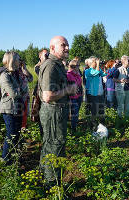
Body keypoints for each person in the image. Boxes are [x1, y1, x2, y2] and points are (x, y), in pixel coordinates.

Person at [38, 36, 77, 184]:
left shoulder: (58, 65)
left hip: (57, 112)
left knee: (50, 145)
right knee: (55, 147)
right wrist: (68, 90)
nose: (67, 47)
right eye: (63, 45)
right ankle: (53, 186)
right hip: (53, 112)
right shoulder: (51, 66)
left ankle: (44, 180)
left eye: (67, 45)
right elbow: (47, 96)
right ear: (53, 48)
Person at [0, 51, 25, 163]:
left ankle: (14, 157)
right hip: (8, 108)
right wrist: (20, 91)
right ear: (12, 60)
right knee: (10, 134)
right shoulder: (4, 75)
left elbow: (24, 88)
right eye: (18, 59)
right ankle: (4, 159)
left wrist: (19, 91)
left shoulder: (15, 73)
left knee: (17, 133)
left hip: (18, 107)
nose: (20, 61)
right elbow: (14, 93)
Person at [85, 57, 107, 122]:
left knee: (101, 109)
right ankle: (93, 124)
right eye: (95, 62)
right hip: (93, 94)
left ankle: (102, 123)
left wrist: (103, 67)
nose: (97, 63)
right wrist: (98, 64)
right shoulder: (88, 71)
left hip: (100, 93)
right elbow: (96, 72)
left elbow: (104, 74)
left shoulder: (98, 69)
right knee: (94, 111)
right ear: (91, 63)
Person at [33, 49, 49, 135]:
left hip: (48, 92)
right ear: (40, 56)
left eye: (48, 54)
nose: (48, 56)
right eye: (45, 55)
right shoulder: (37, 66)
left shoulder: (50, 64)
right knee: (40, 114)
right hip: (39, 94)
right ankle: (42, 134)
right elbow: (43, 74)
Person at [67, 59, 83, 133]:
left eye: (79, 65)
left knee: (76, 113)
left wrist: (82, 94)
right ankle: (73, 129)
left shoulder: (78, 74)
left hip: (79, 96)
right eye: (77, 65)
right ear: (73, 66)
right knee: (74, 114)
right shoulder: (69, 75)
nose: (79, 67)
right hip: (72, 97)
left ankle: (74, 125)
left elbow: (80, 85)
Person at [17, 59, 33, 128]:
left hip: (25, 97)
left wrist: (25, 68)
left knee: (25, 114)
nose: (20, 63)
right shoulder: (14, 72)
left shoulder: (23, 71)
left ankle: (23, 129)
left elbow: (31, 79)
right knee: (19, 115)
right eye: (19, 61)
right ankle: (19, 130)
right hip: (18, 97)